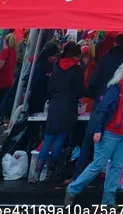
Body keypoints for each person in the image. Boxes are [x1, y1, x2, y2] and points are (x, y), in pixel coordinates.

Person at [65, 62, 123, 209]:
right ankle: (73, 189)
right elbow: (102, 110)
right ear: (122, 74)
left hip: (121, 133)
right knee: (99, 165)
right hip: (111, 133)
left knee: (115, 166)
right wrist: (98, 130)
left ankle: (108, 200)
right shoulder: (116, 89)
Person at [34, 43, 85, 181]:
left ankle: (36, 173)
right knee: (60, 138)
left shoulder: (56, 66)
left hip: (54, 104)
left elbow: (49, 87)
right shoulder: (76, 69)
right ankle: (52, 168)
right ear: (75, 55)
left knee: (48, 138)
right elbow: (80, 90)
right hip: (68, 105)